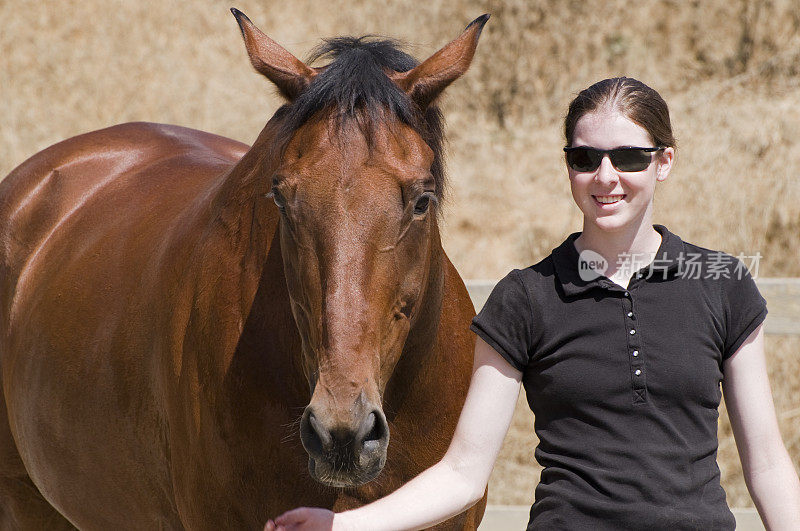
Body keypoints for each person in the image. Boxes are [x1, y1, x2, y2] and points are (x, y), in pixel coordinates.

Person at [264, 77, 800, 530]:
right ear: (568, 168)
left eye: (630, 157)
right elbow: (463, 473)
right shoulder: (525, 298)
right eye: (585, 158)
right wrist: (343, 524)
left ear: (664, 162)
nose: (606, 176)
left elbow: (769, 466)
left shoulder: (722, 284)